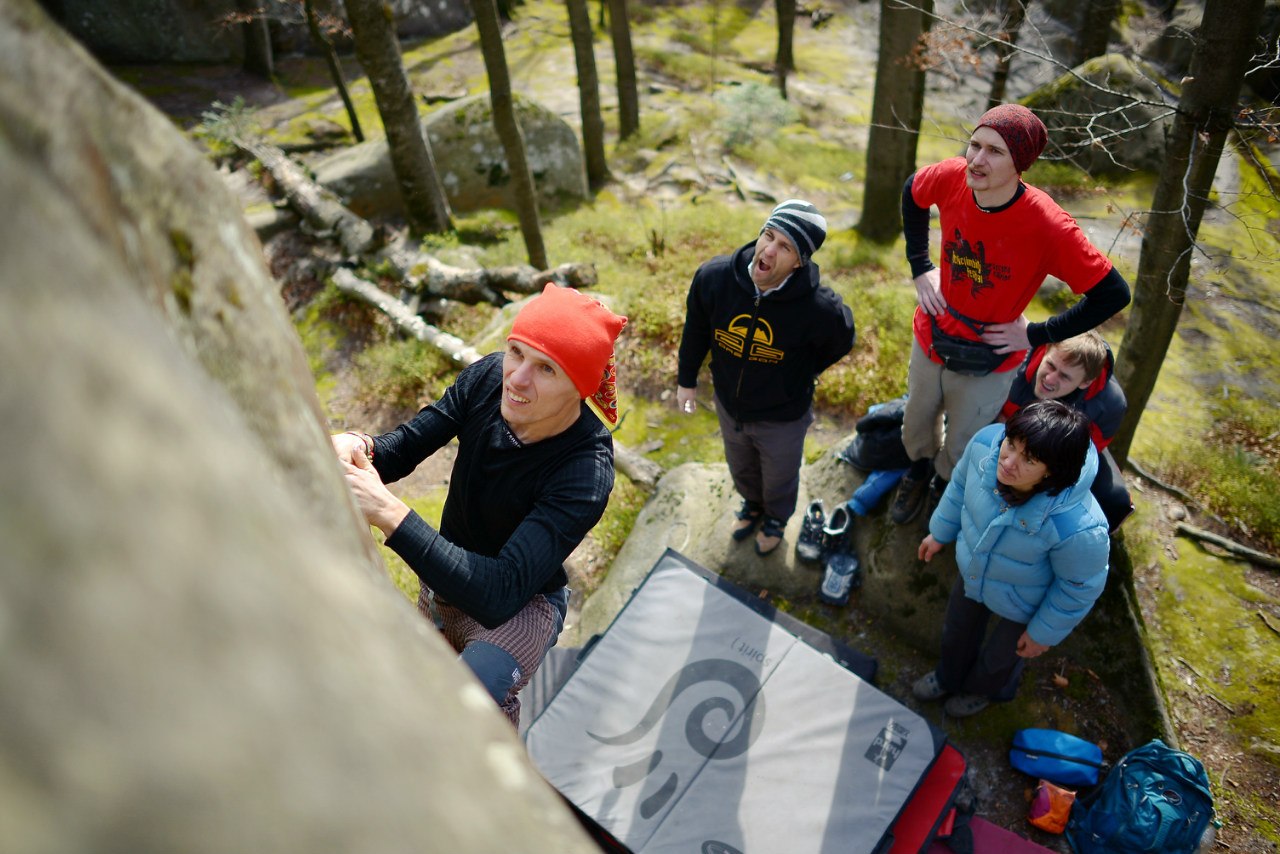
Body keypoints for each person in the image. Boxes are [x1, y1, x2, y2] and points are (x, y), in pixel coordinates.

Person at [334, 284, 627, 727]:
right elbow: (402, 449)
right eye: (516, 352)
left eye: (546, 368)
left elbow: (500, 593)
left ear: (578, 389)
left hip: (521, 605)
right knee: (417, 697)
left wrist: (390, 514)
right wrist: (358, 443)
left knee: (469, 703)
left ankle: (503, 789)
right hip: (445, 585)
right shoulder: (489, 378)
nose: (518, 378)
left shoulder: (584, 470)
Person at [890, 103, 1131, 525]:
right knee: (917, 417)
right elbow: (913, 192)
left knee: (965, 438)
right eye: (975, 144)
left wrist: (1037, 334)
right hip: (932, 331)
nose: (976, 159)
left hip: (990, 355)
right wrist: (919, 265)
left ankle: (944, 486)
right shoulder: (951, 177)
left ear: (1019, 164)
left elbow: (1113, 292)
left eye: (994, 152)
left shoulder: (1048, 224)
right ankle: (917, 469)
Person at [676, 199, 856, 556]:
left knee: (780, 476)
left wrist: (803, 372)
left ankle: (775, 518)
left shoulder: (820, 309)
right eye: (768, 236)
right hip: (729, 404)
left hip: (782, 416)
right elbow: (695, 329)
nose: (769, 250)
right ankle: (751, 505)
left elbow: (841, 340)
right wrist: (686, 379)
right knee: (740, 465)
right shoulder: (715, 278)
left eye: (785, 246)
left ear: (800, 260)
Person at [912, 400, 1110, 718]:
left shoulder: (1079, 528)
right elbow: (960, 486)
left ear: (1053, 474)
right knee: (956, 629)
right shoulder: (985, 445)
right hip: (975, 566)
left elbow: (1078, 587)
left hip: (1026, 599)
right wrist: (939, 532)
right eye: (1011, 444)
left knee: (1002, 657)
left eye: (1028, 459)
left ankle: (982, 692)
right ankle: (948, 677)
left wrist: (1042, 633)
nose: (1008, 461)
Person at [999, 331, 1134, 532]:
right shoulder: (1018, 360)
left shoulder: (1111, 404)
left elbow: (1078, 458)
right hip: (1012, 433)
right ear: (1046, 351)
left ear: (1085, 382)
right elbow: (996, 415)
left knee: (1115, 500)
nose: (1050, 379)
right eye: (1051, 365)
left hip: (1064, 450)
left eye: (1064, 376)